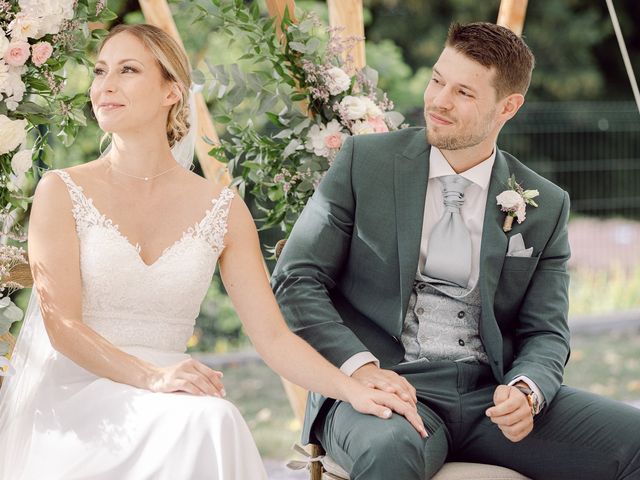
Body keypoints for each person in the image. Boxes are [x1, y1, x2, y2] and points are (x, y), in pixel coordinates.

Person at [0, 24, 426, 480]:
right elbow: (62, 327)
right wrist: (152, 378)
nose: (105, 85)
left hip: (175, 391)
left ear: (171, 91)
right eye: (101, 70)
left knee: (209, 418)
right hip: (77, 394)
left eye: (128, 70)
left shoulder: (222, 209)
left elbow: (274, 337)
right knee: (208, 420)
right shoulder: (60, 190)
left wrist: (350, 389)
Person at [272, 22, 640, 480]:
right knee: (390, 451)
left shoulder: (544, 203)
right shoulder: (362, 162)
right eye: (437, 80)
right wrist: (358, 368)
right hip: (384, 386)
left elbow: (546, 331)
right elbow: (296, 279)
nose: (439, 101)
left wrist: (527, 390)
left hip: (491, 396)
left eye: (464, 92)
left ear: (508, 107)